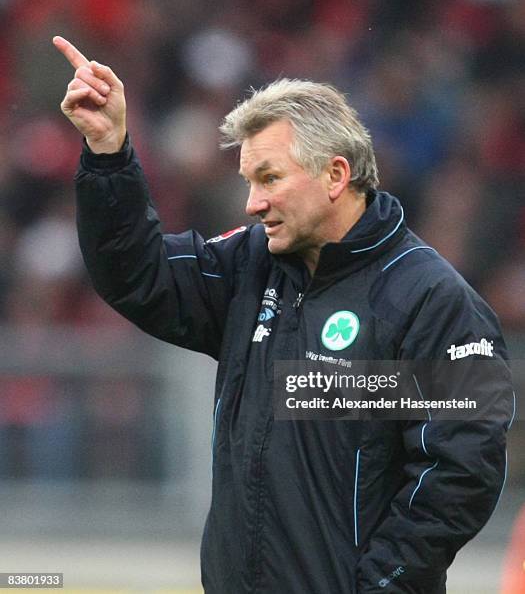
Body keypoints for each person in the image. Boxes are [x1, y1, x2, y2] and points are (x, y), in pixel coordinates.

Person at [53, 35, 514, 594]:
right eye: (250, 181)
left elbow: (460, 474)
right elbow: (138, 275)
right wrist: (109, 153)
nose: (252, 202)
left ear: (335, 176)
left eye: (269, 178)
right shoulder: (250, 264)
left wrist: (377, 586)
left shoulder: (432, 300)